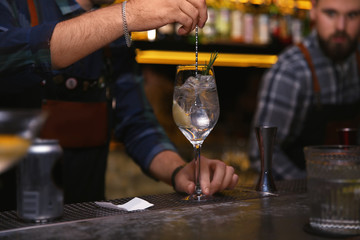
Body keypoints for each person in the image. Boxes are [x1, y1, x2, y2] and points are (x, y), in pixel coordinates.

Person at [0, 0, 239, 211]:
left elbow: (137, 124)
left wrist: (179, 172)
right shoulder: (16, 5)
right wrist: (127, 14)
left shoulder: (112, 32)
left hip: (86, 219)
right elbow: (7, 54)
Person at [248, 0, 360, 180]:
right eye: (331, 13)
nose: (341, 26)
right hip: (298, 198)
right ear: (313, 10)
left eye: (352, 15)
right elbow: (261, 155)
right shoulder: (291, 71)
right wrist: (314, 187)